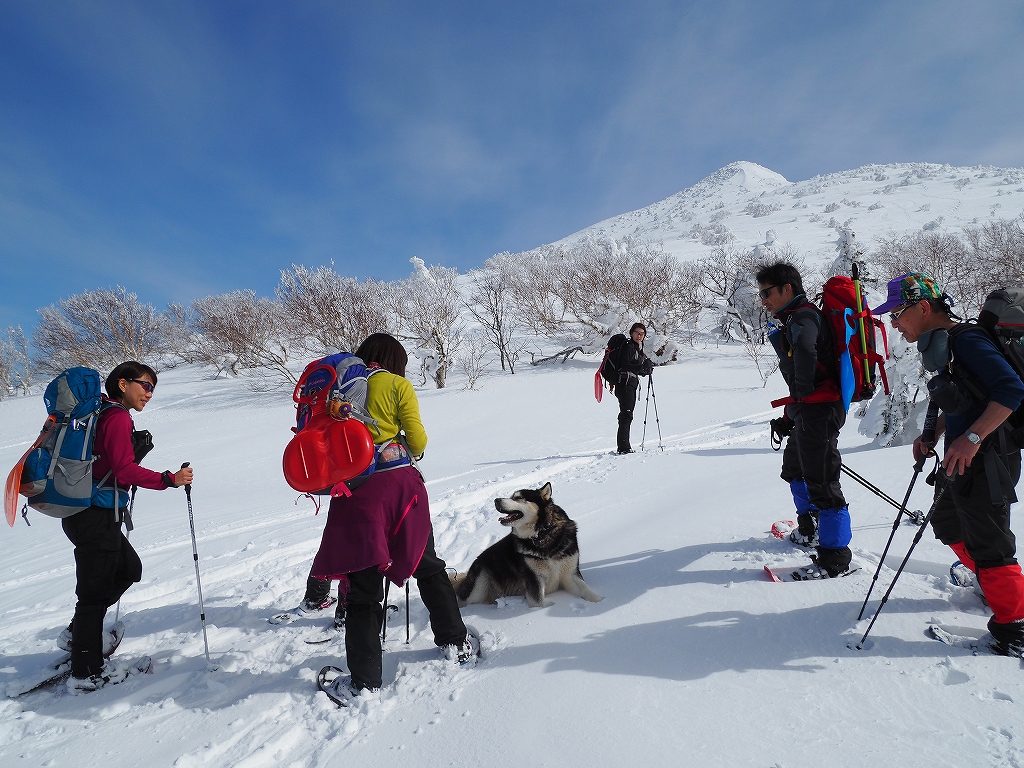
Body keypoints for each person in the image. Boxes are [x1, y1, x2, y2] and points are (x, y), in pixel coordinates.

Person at [311, 333, 477, 700]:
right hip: (401, 490)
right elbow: (417, 441)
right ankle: (455, 643)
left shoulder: (338, 391)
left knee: (363, 588)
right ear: (394, 360)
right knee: (427, 564)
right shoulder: (397, 384)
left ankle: (364, 681)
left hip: (353, 494)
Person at [882, 272, 1024, 654]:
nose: (894, 323)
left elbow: (1011, 390)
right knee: (947, 521)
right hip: (965, 455)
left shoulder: (968, 341)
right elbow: (967, 397)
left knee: (991, 541)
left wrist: (972, 438)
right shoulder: (947, 346)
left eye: (898, 313)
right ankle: (987, 581)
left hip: (989, 457)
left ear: (923, 308)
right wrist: (935, 432)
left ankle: (1015, 627)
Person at [63, 361, 194, 692]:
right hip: (95, 516)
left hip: (86, 513)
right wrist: (169, 479)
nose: (149, 393)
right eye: (145, 385)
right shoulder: (117, 416)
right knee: (92, 596)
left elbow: (110, 464)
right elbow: (123, 470)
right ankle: (86, 672)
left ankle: (80, 634)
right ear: (122, 384)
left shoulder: (99, 414)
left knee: (129, 569)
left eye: (153, 388)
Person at [757, 262, 853, 578]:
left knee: (823, 481)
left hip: (821, 413)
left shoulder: (804, 316)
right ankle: (809, 528)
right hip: (809, 412)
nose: (764, 300)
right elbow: (805, 377)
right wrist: (791, 414)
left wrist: (801, 394)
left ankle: (834, 558)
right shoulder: (794, 319)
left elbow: (806, 354)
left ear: (788, 288)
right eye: (761, 294)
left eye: (767, 293)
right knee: (795, 468)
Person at [608, 323, 654, 454]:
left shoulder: (636, 349)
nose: (639, 336)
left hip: (629, 384)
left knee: (627, 415)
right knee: (626, 415)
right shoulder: (628, 347)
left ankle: (624, 446)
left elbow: (633, 368)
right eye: (637, 333)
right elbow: (624, 365)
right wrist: (641, 367)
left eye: (642, 334)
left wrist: (645, 370)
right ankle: (624, 447)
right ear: (631, 333)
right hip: (625, 385)